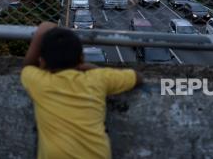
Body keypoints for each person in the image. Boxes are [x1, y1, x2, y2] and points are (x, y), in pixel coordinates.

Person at [21, 22, 142, 159]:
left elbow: (27, 66)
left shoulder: (39, 82)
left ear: (42, 62)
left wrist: (41, 32)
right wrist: (93, 69)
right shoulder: (98, 79)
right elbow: (137, 77)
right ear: (82, 58)